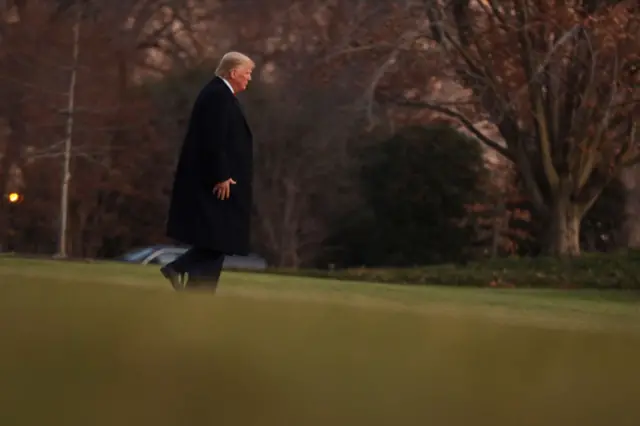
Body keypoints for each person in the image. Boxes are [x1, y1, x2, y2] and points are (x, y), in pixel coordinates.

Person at [161, 51, 255, 291]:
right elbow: (213, 139)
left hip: (219, 182)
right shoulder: (217, 97)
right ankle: (181, 272)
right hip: (215, 184)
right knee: (217, 238)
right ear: (233, 73)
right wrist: (221, 175)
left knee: (217, 240)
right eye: (247, 73)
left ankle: (195, 288)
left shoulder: (221, 95)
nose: (249, 78)